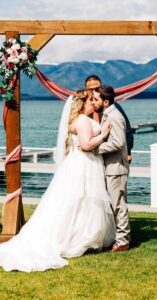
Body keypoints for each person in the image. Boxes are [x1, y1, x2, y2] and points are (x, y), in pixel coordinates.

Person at [0, 90, 116, 272]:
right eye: (90, 100)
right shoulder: (83, 120)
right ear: (82, 103)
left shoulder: (76, 120)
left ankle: (81, 235)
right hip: (84, 163)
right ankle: (80, 238)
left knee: (77, 201)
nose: (93, 102)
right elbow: (86, 145)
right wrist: (103, 134)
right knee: (84, 199)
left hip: (78, 162)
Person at [93, 85, 131, 252]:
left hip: (116, 167)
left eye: (96, 99)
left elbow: (118, 143)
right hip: (111, 166)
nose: (93, 103)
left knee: (118, 204)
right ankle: (118, 237)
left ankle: (123, 241)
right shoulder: (108, 113)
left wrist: (95, 149)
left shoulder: (113, 116)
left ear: (105, 101)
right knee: (115, 203)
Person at [85, 75, 134, 163]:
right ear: (86, 90)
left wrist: (128, 152)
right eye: (90, 89)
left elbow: (126, 129)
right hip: (90, 157)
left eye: (96, 88)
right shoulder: (83, 108)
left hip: (109, 156)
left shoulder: (112, 106)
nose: (93, 91)